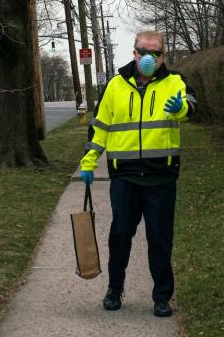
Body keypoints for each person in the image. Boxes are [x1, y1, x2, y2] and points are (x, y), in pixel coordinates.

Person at [79, 30, 196, 318]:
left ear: (163, 56)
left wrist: (181, 108)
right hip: (125, 177)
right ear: (134, 52)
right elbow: (100, 128)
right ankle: (114, 289)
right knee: (120, 235)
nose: (149, 57)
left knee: (159, 238)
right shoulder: (115, 86)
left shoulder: (175, 82)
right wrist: (89, 161)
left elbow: (191, 106)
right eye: (144, 51)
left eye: (155, 53)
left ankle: (162, 297)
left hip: (161, 177)